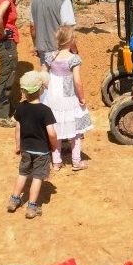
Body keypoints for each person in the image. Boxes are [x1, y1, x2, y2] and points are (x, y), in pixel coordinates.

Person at [43, 26, 93, 171]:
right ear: (71, 40)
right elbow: (77, 81)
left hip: (53, 99)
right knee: (76, 130)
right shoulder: (73, 59)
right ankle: (76, 161)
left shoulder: (50, 56)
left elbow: (44, 76)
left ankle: (56, 161)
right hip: (70, 98)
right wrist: (82, 98)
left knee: (56, 129)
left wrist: (49, 90)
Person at [8, 70, 57, 219]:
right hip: (41, 152)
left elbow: (18, 128)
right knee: (37, 177)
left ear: (23, 91)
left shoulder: (21, 108)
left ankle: (14, 199)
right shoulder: (45, 111)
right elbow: (52, 133)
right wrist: (54, 146)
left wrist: (18, 145)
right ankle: (31, 207)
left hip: (26, 149)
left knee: (23, 173)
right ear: (41, 89)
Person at [0, 0, 29, 128]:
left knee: (8, 76)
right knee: (6, 78)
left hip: (8, 42)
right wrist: (3, 33)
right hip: (6, 43)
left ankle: (5, 112)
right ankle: (2, 117)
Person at [29, 0, 76, 69]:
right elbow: (68, 30)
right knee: (60, 81)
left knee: (46, 80)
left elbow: (32, 26)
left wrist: (36, 45)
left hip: (42, 49)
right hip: (59, 50)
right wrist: (74, 50)